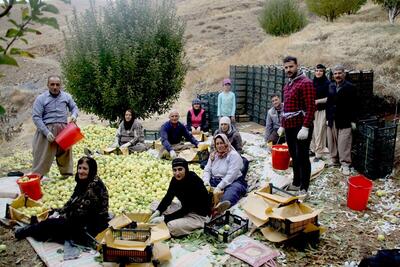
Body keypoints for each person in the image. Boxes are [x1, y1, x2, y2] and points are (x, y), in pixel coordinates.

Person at [15, 157, 109, 245]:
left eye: (85, 168)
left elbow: (81, 212)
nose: (81, 171)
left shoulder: (93, 187)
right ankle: (38, 227)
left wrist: (61, 217)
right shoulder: (84, 181)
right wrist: (59, 211)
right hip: (82, 218)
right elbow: (73, 200)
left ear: (91, 170)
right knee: (53, 215)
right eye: (79, 168)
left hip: (91, 226)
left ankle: (29, 230)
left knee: (53, 225)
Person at [280, 56, 316, 197]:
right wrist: (283, 125)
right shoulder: (288, 85)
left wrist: (306, 127)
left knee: (302, 156)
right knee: (294, 156)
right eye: (286, 67)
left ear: (297, 66)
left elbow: (311, 107)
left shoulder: (305, 83)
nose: (288, 70)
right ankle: (296, 182)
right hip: (289, 126)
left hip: (301, 127)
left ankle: (304, 187)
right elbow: (286, 107)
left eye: (291, 67)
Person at [149, 158, 211, 237]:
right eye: (174, 170)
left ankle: (198, 226)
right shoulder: (175, 180)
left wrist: (164, 218)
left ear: (186, 169)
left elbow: (186, 209)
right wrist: (158, 211)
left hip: (198, 216)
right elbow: (168, 197)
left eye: (180, 169)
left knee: (172, 226)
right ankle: (176, 220)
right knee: (154, 205)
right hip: (183, 209)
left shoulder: (194, 181)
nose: (177, 173)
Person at [32, 75, 79, 178]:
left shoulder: (66, 96)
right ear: (48, 85)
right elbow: (36, 117)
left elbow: (74, 107)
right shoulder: (41, 98)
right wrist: (46, 132)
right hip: (47, 130)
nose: (55, 87)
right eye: (52, 84)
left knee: (65, 153)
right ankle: (37, 177)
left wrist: (74, 115)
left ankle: (67, 175)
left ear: (60, 85)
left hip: (64, 130)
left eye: (57, 84)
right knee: (43, 154)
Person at [203, 134, 247, 213]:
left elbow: (231, 175)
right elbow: (207, 170)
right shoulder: (213, 155)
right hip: (215, 180)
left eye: (221, 143)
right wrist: (206, 182)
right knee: (201, 189)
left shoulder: (233, 155)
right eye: (217, 144)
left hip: (234, 181)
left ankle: (220, 207)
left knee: (232, 192)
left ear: (226, 143)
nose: (219, 146)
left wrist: (219, 187)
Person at [326, 64, 357, 176]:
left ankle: (345, 164)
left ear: (344, 74)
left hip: (345, 120)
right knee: (332, 141)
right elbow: (328, 103)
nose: (337, 75)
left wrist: (353, 120)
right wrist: (327, 118)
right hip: (332, 118)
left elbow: (355, 105)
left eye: (339, 73)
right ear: (333, 75)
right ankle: (334, 160)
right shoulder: (331, 86)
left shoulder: (350, 87)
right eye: (335, 73)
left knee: (344, 143)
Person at [310, 64, 330, 162]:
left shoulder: (327, 83)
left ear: (324, 72)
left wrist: (317, 101)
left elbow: (329, 98)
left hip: (321, 110)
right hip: (312, 110)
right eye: (317, 70)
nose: (318, 72)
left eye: (320, 71)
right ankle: (313, 149)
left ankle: (319, 153)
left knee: (319, 132)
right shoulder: (312, 82)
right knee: (313, 132)